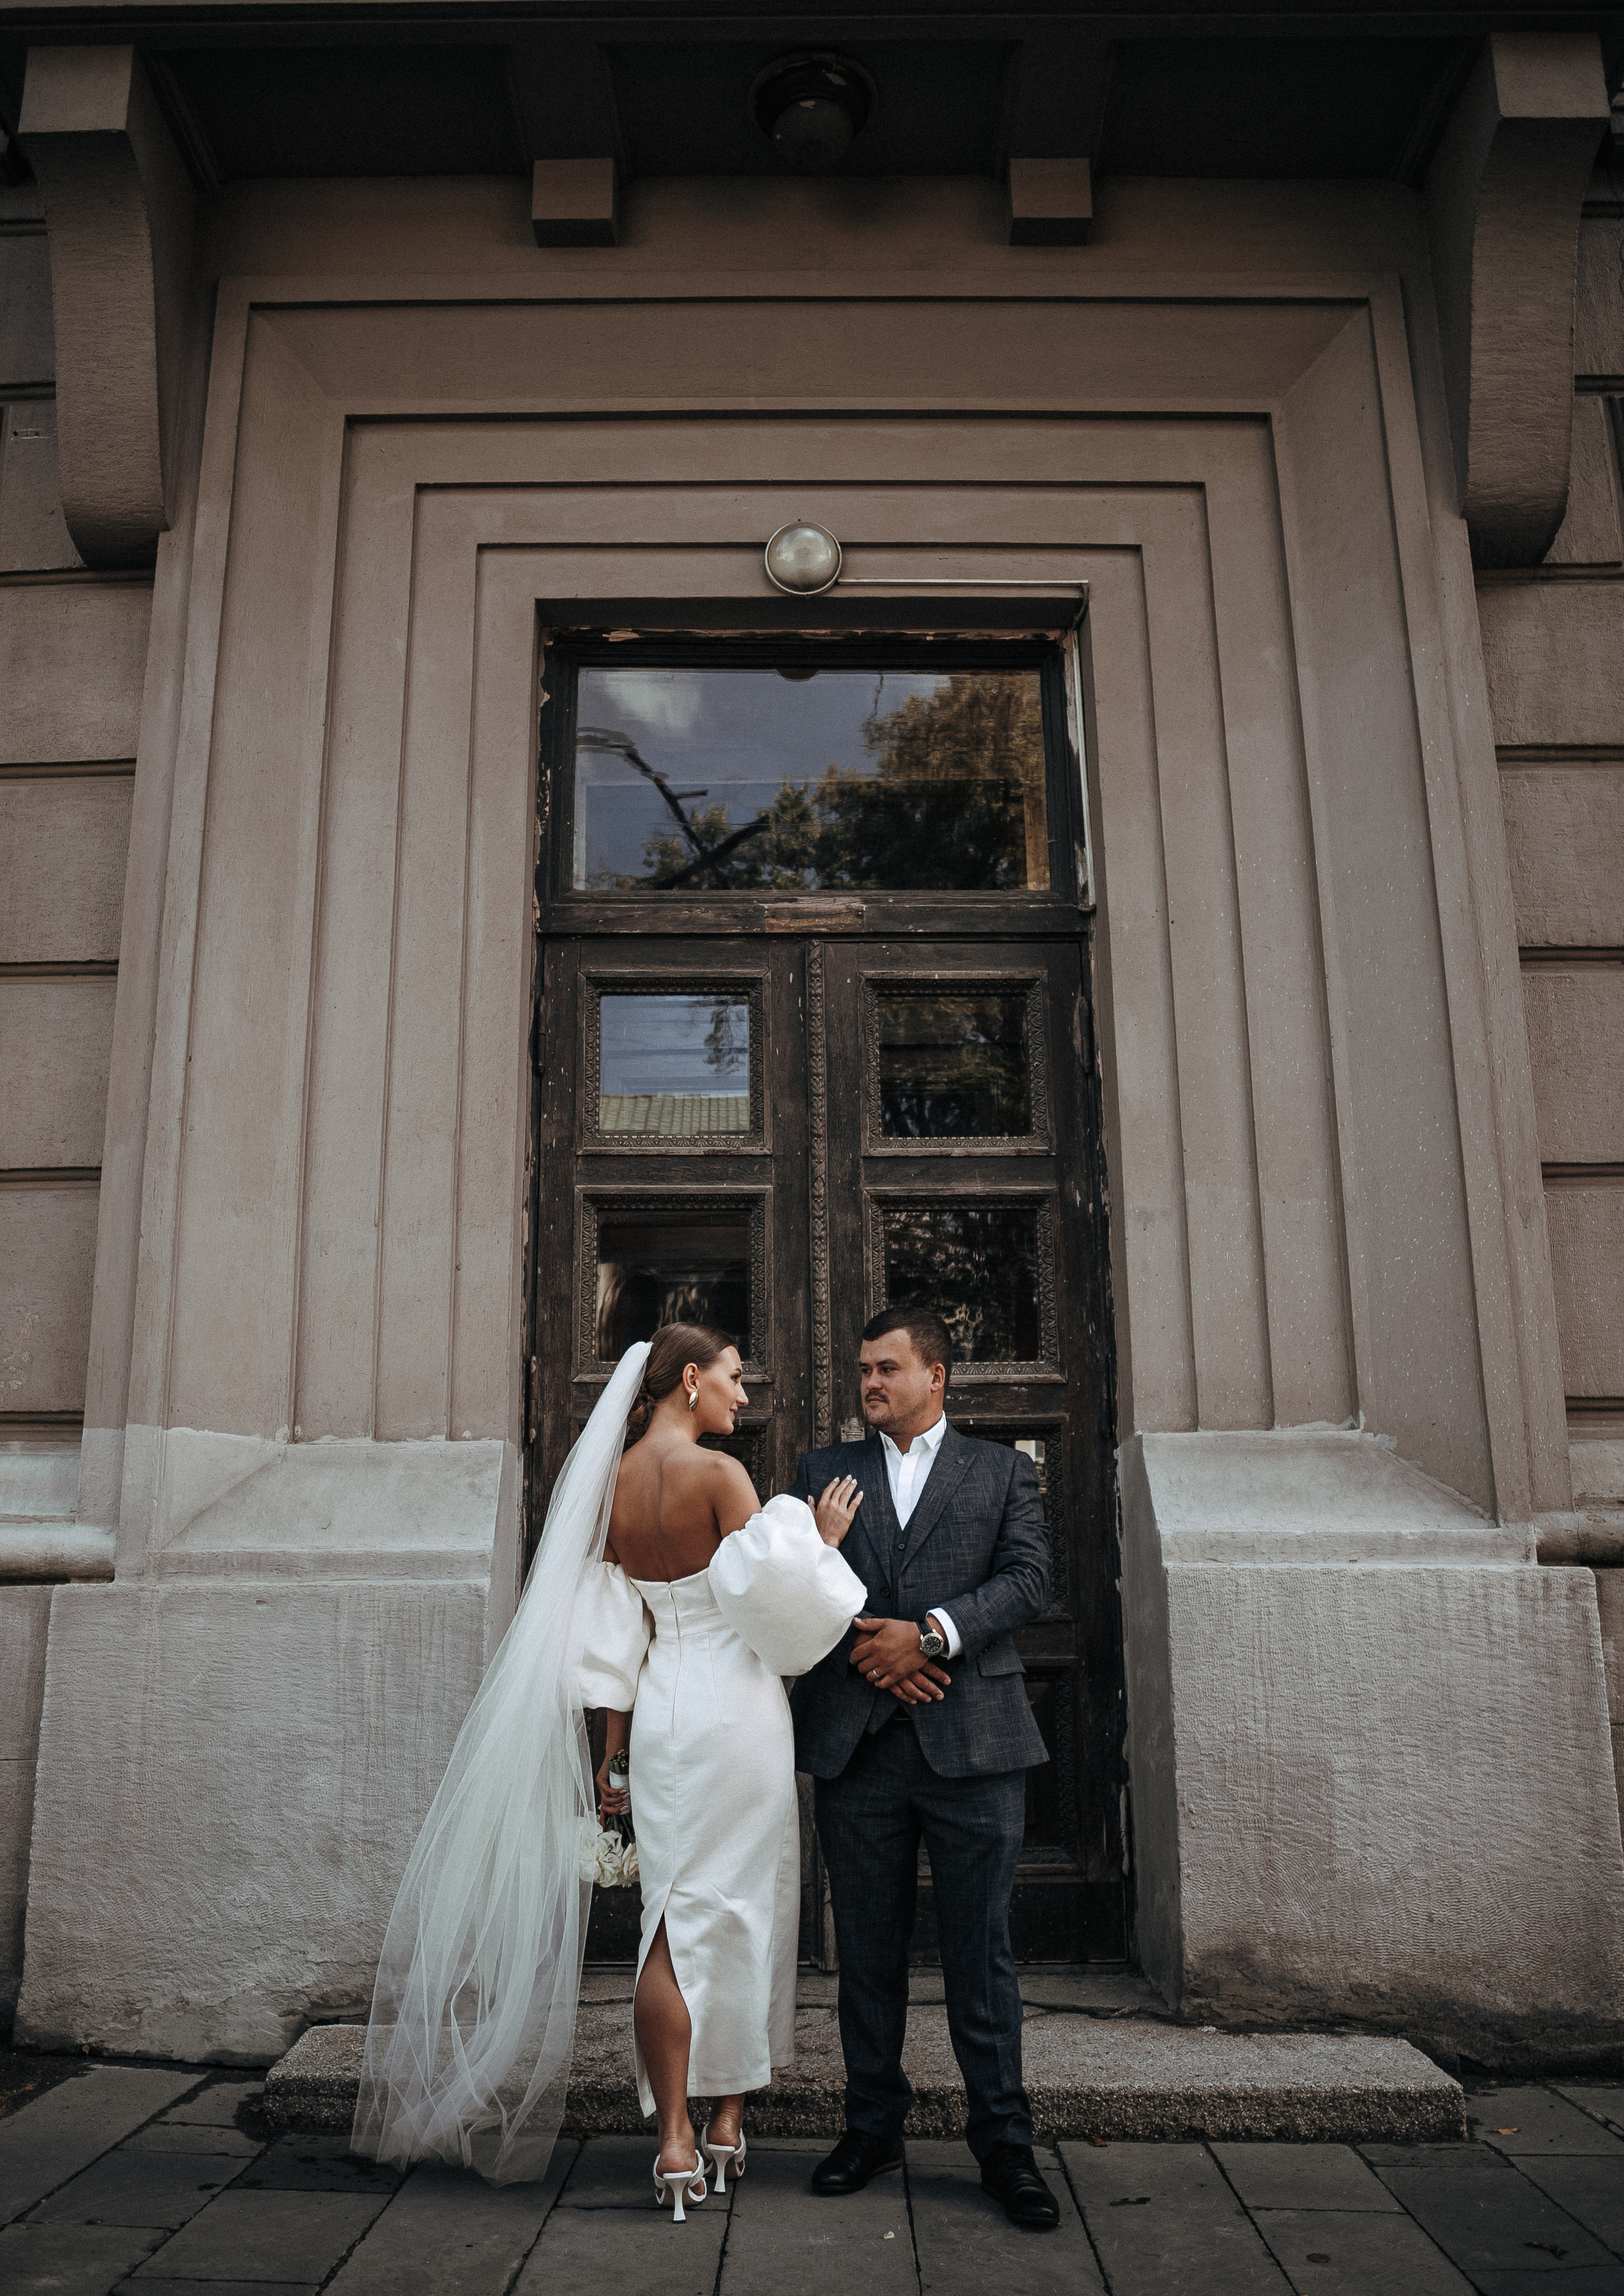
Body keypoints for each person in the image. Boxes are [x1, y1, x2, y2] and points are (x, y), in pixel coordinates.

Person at [353, 1325, 866, 2207]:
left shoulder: (612, 1486)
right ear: (691, 1379)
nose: (745, 1396)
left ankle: (674, 2141)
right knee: (744, 1907)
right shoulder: (721, 1476)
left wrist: (614, 1753)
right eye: (735, 1378)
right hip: (738, 1715)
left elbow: (617, 1635)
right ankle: (728, 2121)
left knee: (666, 1920)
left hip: (662, 1713)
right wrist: (820, 1543)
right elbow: (777, 1618)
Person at [787, 1306, 1060, 2230]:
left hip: (974, 1745)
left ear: (936, 1376)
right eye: (864, 1368)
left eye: (887, 1368)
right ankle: (872, 2127)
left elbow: (1030, 1579)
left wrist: (932, 1635)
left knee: (981, 1954)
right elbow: (793, 1589)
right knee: (867, 1954)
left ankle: (1005, 2144)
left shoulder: (1002, 1471)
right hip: (859, 1748)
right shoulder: (823, 1472)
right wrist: (877, 1652)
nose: (870, 1382)